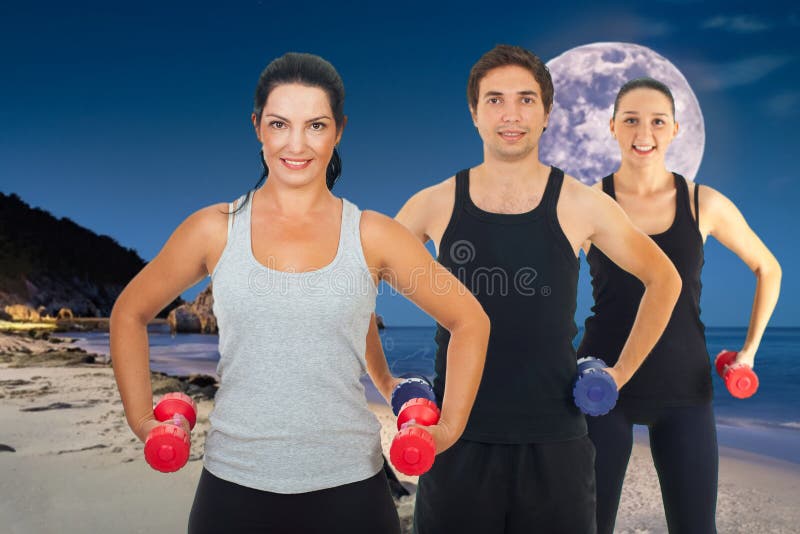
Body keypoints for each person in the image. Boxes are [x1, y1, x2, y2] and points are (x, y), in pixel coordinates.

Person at [109, 52, 490, 534]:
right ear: (257, 127)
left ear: (339, 131)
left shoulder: (373, 235)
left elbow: (468, 320)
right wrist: (144, 422)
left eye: (315, 125)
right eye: (279, 124)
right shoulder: (213, 229)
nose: (296, 144)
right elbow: (129, 313)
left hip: (351, 492)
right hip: (232, 488)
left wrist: (448, 429)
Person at [365, 45, 683, 534]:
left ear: (547, 113)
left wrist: (620, 374)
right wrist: (386, 383)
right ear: (474, 113)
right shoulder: (434, 204)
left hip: (557, 446)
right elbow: (357, 288)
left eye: (526, 99)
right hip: (454, 444)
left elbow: (664, 279)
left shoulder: (582, 204)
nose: (510, 115)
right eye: (495, 100)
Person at [577, 77, 782, 534]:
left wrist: (748, 353)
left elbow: (768, 269)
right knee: (588, 526)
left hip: (684, 389)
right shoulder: (587, 203)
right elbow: (544, 281)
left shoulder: (703, 203)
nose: (643, 133)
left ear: (675, 130)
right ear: (612, 126)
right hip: (601, 388)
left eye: (657, 121)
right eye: (631, 120)